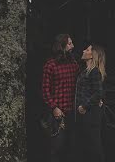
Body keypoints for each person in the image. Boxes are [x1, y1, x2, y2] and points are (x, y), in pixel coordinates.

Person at [41, 33, 79, 162]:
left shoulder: (74, 64)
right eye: (69, 43)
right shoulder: (50, 65)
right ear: (61, 46)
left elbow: (81, 85)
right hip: (57, 115)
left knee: (72, 148)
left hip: (72, 113)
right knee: (56, 149)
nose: (73, 46)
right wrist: (54, 107)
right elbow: (45, 90)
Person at [76, 44, 107, 162]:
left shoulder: (94, 72)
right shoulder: (86, 71)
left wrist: (84, 105)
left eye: (87, 49)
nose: (83, 50)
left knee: (94, 147)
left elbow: (98, 92)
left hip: (91, 115)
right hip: (87, 115)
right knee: (88, 147)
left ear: (92, 55)